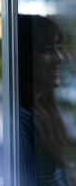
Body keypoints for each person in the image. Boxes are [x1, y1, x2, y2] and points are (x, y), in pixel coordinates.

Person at [18, 14, 76, 185]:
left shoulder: (42, 113)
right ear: (21, 56)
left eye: (58, 47)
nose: (60, 58)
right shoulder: (23, 120)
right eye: (46, 49)